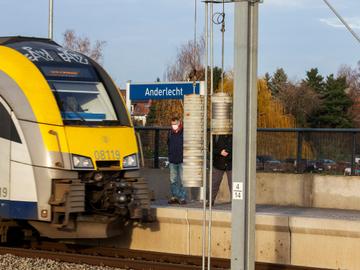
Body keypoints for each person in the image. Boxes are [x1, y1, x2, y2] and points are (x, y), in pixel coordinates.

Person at [167, 116, 187, 204]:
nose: (173, 126)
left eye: (175, 124)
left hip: (182, 160)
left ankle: (182, 197)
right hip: (172, 160)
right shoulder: (170, 133)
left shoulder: (184, 133)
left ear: (179, 123)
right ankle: (174, 196)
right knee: (173, 180)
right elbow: (168, 143)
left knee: (183, 180)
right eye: (172, 124)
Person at [210, 134, 233, 206]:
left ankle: (236, 202)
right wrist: (220, 152)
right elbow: (211, 148)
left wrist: (228, 151)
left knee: (233, 184)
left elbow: (239, 147)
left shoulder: (235, 133)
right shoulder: (216, 134)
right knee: (214, 183)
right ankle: (210, 200)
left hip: (231, 164)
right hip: (218, 163)